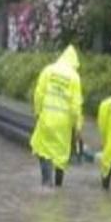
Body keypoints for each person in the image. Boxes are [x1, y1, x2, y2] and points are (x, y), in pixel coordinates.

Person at [30, 46, 83, 188]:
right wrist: (77, 127)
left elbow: (38, 94)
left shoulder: (48, 70)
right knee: (61, 154)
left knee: (44, 150)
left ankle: (47, 182)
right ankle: (59, 185)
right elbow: (76, 105)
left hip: (47, 119)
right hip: (63, 124)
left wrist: (37, 112)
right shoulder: (74, 77)